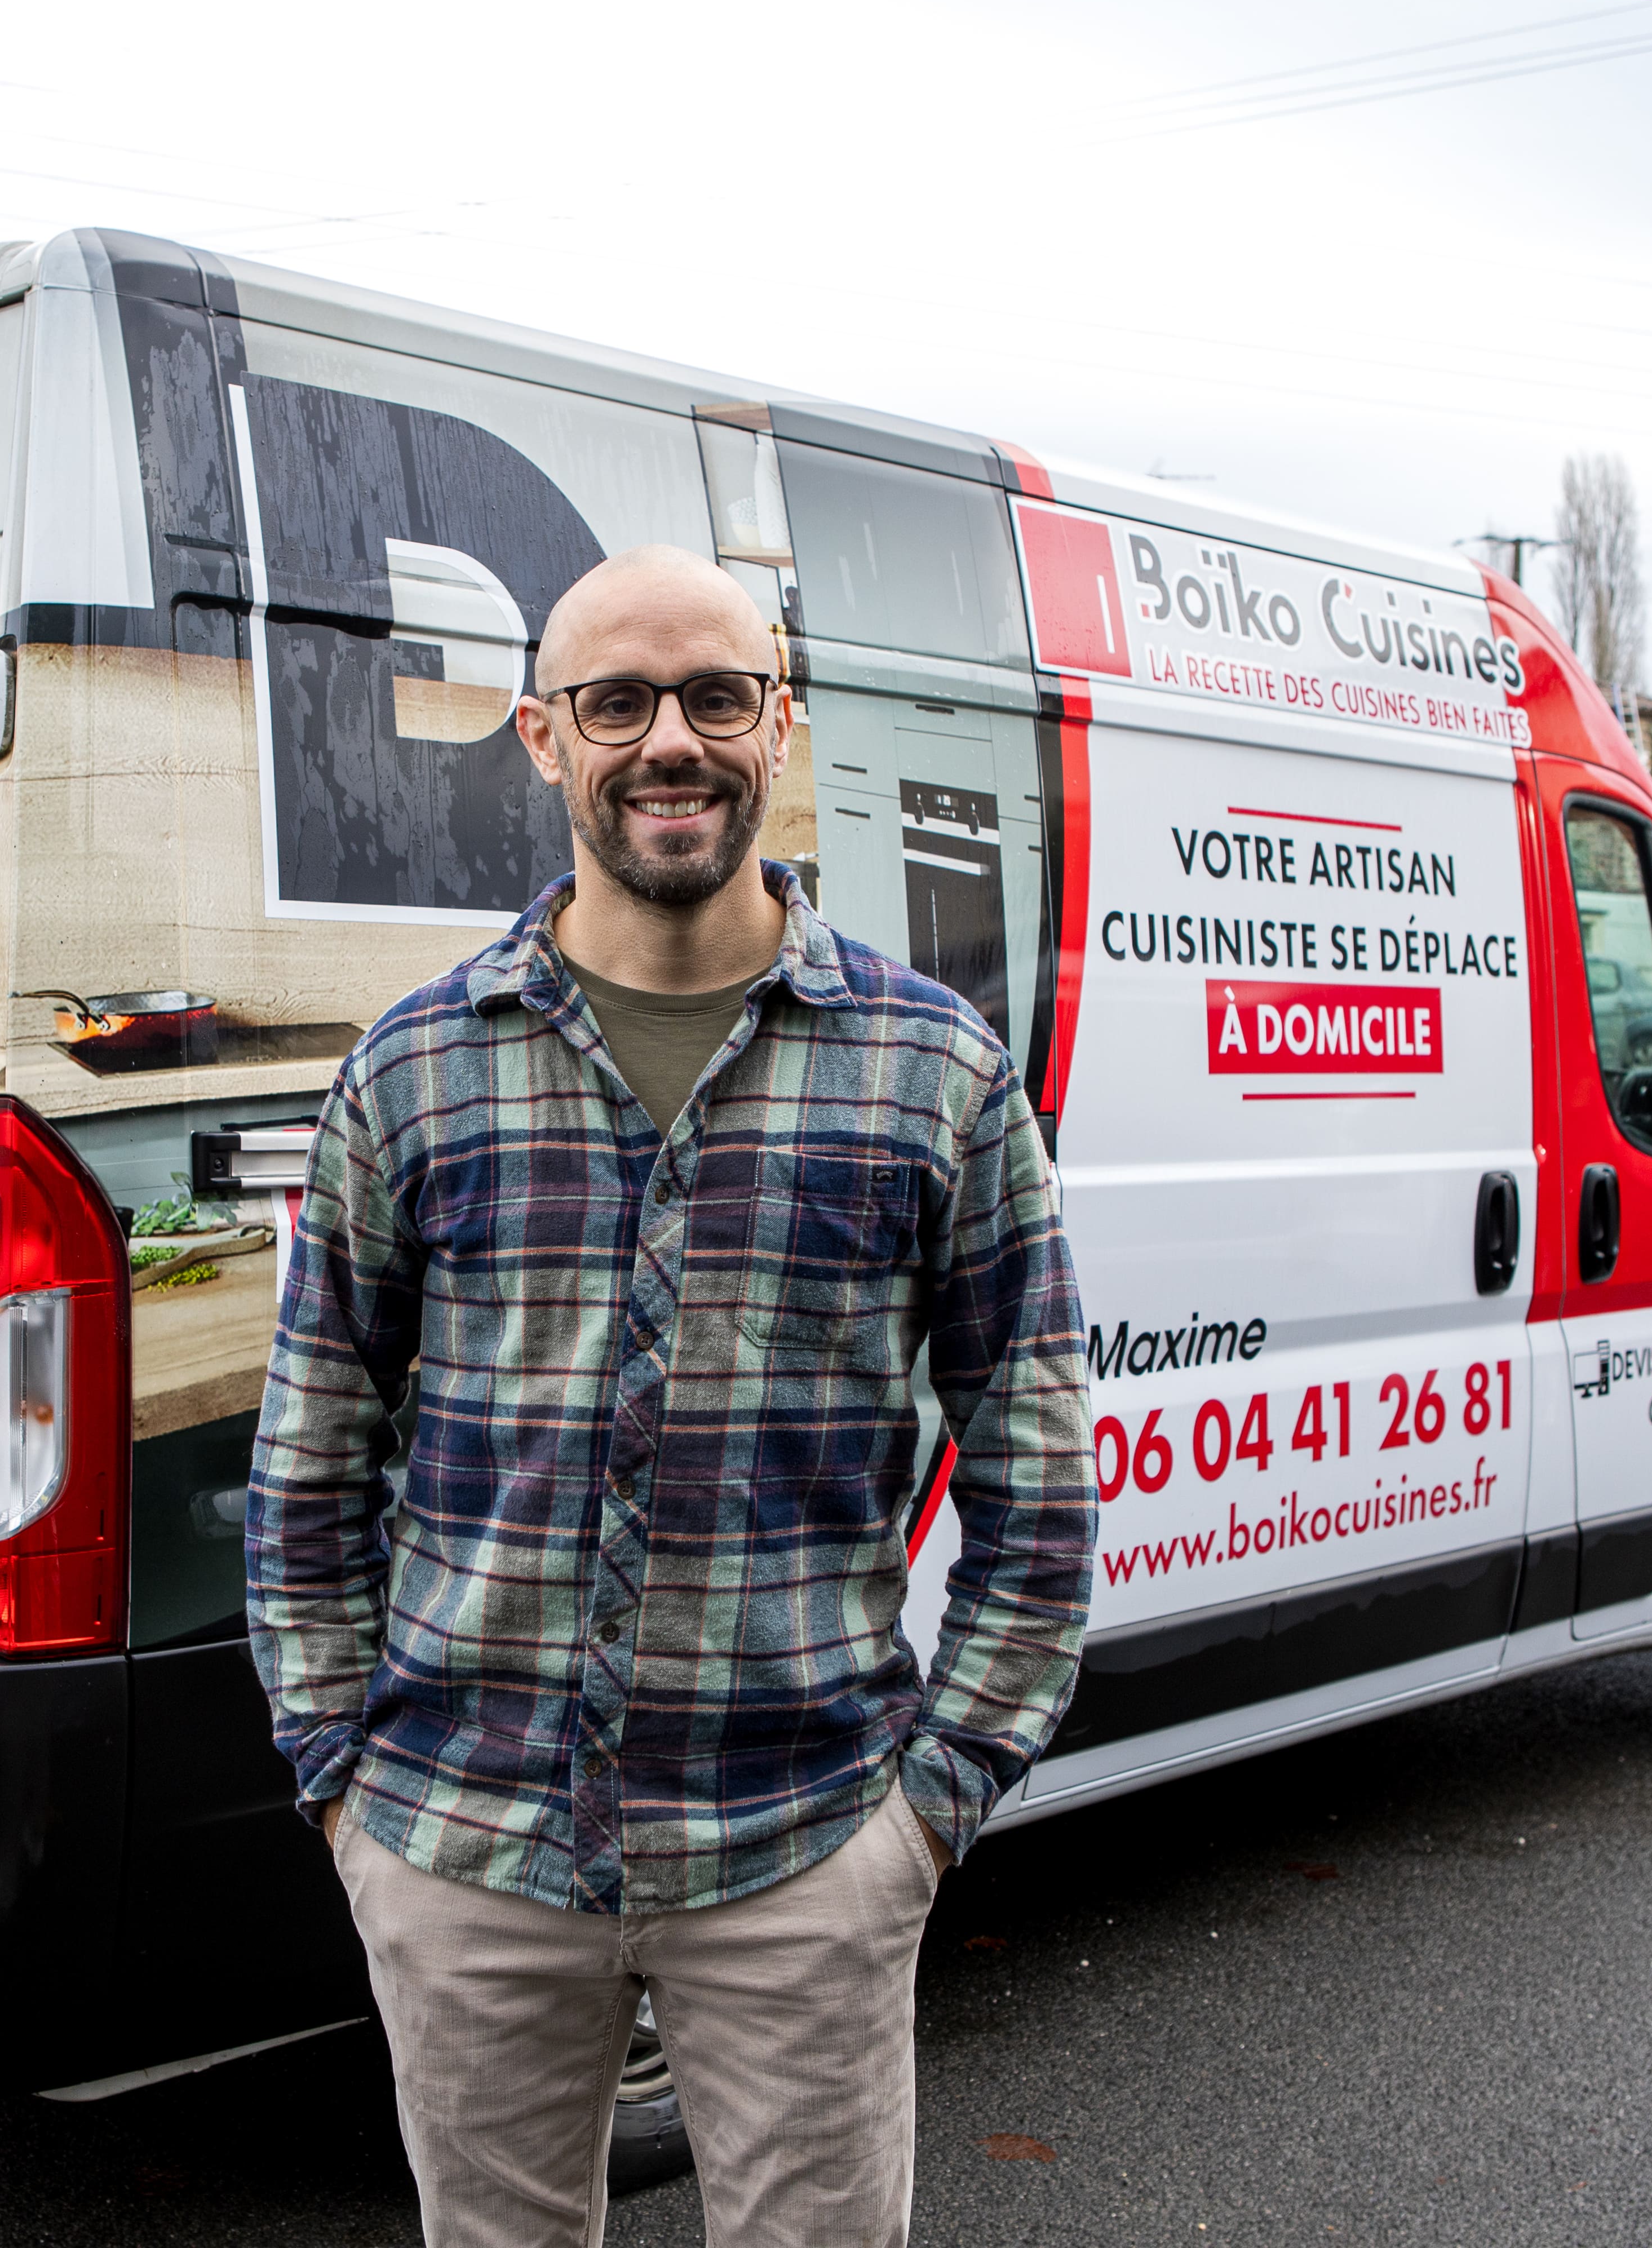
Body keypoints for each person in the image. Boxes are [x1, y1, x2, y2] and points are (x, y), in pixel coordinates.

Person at [247, 544, 1093, 2246]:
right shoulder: (415, 1069)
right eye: (615, 702)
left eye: (715, 696)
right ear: (540, 738)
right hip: (458, 1847)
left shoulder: (932, 1069)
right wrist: (344, 1786)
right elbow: (310, 1461)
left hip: (805, 1849)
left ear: (780, 724)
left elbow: (1039, 1474)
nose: (670, 743)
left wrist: (932, 1812)